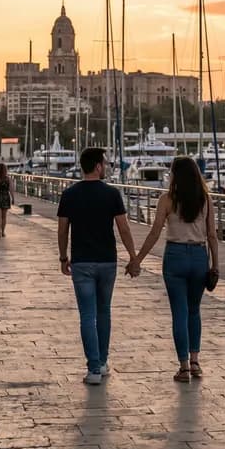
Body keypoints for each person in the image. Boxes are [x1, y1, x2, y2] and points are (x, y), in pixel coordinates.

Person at [132, 156, 219, 383]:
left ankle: (183, 367)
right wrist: (215, 265)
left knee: (179, 313)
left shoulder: (167, 200)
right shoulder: (205, 200)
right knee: (194, 311)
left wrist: (137, 260)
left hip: (175, 257)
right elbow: (212, 235)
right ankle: (195, 361)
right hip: (199, 257)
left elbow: (154, 233)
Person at [57, 147, 137, 385]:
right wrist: (133, 257)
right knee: (104, 312)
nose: (106, 166)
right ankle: (102, 362)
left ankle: (93, 369)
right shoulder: (112, 194)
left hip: (81, 261)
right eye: (105, 163)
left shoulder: (69, 194)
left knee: (87, 315)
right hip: (107, 261)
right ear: (98, 166)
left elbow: (62, 229)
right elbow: (123, 228)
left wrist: (63, 257)